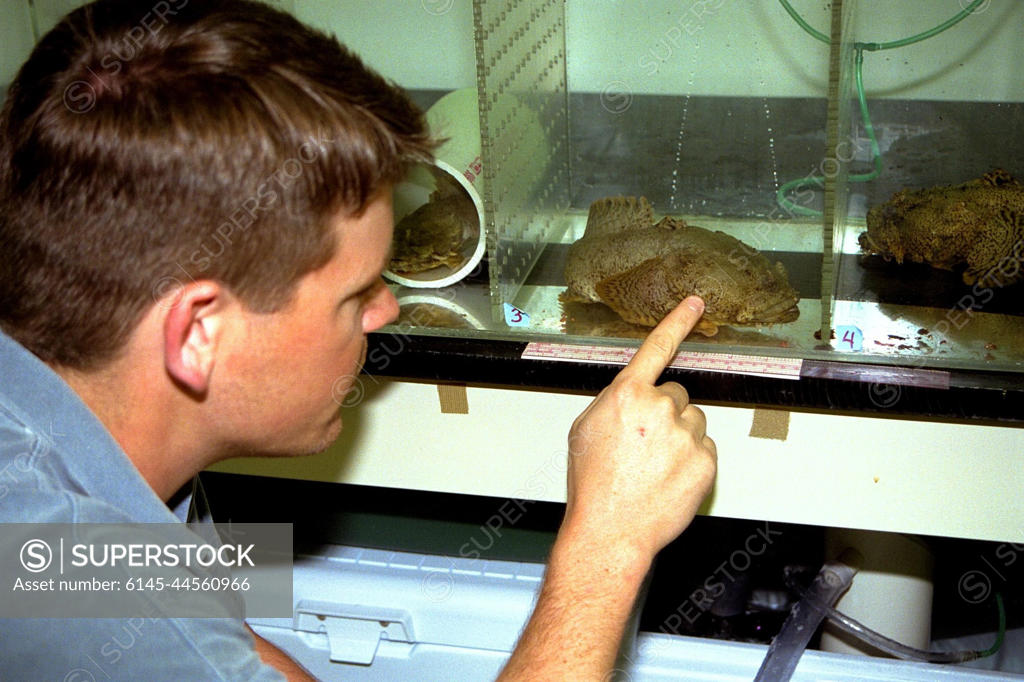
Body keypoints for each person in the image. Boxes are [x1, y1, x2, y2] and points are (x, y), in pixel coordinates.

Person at [0, 0, 717, 679]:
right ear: (198, 333)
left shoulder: (67, 481)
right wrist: (607, 544)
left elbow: (214, 640)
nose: (386, 312)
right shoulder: (64, 578)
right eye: (356, 295)